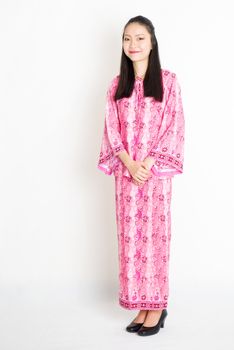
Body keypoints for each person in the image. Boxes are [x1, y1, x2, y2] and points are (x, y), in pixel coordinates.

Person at [97, 15, 185, 336]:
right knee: (132, 240)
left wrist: (146, 162)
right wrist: (129, 164)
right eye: (127, 39)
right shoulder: (115, 86)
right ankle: (143, 305)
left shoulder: (168, 82)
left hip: (155, 176)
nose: (133, 45)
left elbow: (173, 126)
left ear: (152, 42)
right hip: (127, 177)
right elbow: (111, 129)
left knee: (154, 241)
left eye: (139, 38)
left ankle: (157, 306)